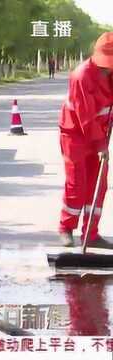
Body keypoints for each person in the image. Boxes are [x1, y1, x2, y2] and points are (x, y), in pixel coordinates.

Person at [58, 32, 113, 249]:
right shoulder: (81, 76)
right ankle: (66, 228)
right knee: (77, 184)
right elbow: (86, 117)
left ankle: (91, 233)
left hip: (99, 133)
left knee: (98, 184)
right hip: (75, 134)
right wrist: (101, 145)